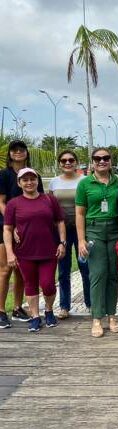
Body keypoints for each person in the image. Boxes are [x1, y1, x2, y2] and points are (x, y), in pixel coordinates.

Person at [4, 168, 66, 332]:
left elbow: (60, 222)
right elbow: (8, 229)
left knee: (48, 285)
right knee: (29, 284)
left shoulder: (49, 199)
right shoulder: (13, 204)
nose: (29, 182)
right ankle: (35, 316)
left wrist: (62, 242)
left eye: (32, 179)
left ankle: (49, 310)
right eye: (25, 180)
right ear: (19, 183)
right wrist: (10, 252)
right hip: (24, 252)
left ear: (37, 181)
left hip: (48, 251)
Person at [76, 147, 118, 338]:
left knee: (113, 274)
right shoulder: (85, 184)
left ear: (111, 160)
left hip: (114, 230)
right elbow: (80, 213)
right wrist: (81, 240)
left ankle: (112, 315)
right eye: (98, 158)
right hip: (94, 230)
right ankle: (97, 318)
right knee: (97, 274)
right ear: (92, 161)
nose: (102, 161)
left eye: (105, 158)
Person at [0, 140, 44, 329]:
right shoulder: (4, 175)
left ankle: (17, 307)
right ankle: (1, 310)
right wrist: (13, 224)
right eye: (14, 150)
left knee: (21, 271)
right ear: (10, 154)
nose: (18, 152)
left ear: (26, 153)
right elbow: (1, 202)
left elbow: (40, 200)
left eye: (21, 150)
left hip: (28, 230)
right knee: (5, 269)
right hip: (6, 226)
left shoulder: (33, 175)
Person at [49, 149, 90, 318]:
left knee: (86, 267)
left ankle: (91, 303)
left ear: (76, 162)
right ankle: (64, 306)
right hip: (61, 232)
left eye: (71, 160)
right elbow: (50, 206)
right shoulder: (54, 182)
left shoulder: (85, 180)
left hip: (82, 230)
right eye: (64, 160)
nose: (67, 163)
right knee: (64, 270)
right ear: (59, 163)